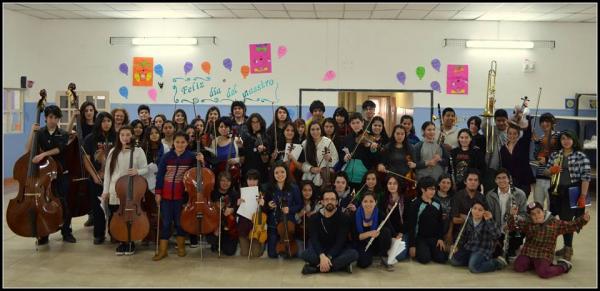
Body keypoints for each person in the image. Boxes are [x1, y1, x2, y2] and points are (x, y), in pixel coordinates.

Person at [25, 105, 76, 246]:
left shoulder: (63, 134)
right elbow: (28, 149)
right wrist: (32, 132)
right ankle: (44, 233)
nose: (53, 120)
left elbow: (59, 149)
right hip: (44, 173)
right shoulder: (39, 133)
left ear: (59, 119)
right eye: (50, 117)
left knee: (64, 202)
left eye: (56, 117)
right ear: (46, 118)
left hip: (60, 172)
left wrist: (43, 154)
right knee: (43, 202)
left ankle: (66, 232)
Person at [153, 131, 204, 260]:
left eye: (183, 142)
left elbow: (200, 173)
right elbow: (159, 175)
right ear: (173, 143)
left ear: (187, 143)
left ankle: (181, 247)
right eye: (177, 142)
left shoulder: (191, 156)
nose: (180, 144)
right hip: (165, 194)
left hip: (181, 195)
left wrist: (202, 161)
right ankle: (163, 250)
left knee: (180, 222)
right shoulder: (166, 156)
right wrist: (158, 193)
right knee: (165, 223)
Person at [509, 202, 590, 279]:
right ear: (530, 217)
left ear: (543, 212)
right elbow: (513, 226)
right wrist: (512, 216)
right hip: (529, 252)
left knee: (544, 272)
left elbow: (570, 226)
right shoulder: (528, 223)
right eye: (533, 214)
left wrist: (583, 220)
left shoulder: (554, 223)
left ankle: (563, 266)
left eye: (538, 212)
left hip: (544, 254)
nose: (537, 215)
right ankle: (534, 264)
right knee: (518, 267)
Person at [544, 130, 591, 261]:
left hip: (573, 191)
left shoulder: (581, 156)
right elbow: (546, 172)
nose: (566, 141)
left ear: (574, 140)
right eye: (563, 138)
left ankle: (568, 248)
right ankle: (562, 247)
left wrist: (583, 196)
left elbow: (586, 178)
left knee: (568, 221)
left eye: (569, 138)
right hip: (556, 191)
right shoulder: (555, 155)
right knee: (554, 219)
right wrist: (551, 170)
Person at [101, 125, 148, 255]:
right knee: (117, 217)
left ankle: (130, 241)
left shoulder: (138, 151)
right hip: (114, 189)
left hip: (132, 190)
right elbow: (107, 173)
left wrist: (137, 171)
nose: (125, 138)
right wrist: (105, 191)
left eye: (128, 135)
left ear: (132, 136)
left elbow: (145, 168)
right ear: (119, 136)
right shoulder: (113, 151)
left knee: (131, 216)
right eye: (122, 135)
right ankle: (122, 240)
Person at [300, 186, 359, 275]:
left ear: (336, 202)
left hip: (337, 250)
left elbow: (340, 241)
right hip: (320, 249)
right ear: (322, 202)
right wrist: (322, 256)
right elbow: (314, 239)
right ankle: (340, 266)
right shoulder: (314, 218)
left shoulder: (344, 218)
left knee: (354, 254)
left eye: (332, 199)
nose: (329, 202)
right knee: (303, 254)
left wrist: (329, 257)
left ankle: (316, 268)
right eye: (326, 199)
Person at [83, 112, 116, 244]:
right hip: (97, 178)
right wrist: (94, 175)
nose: (106, 123)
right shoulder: (90, 138)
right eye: (103, 121)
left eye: (109, 121)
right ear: (98, 123)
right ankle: (99, 234)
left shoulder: (117, 136)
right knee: (98, 208)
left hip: (113, 179)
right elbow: (86, 159)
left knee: (113, 207)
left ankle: (114, 232)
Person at [449, 199, 507, 273]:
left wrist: (489, 220)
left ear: (484, 212)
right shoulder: (468, 220)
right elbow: (462, 236)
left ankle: (497, 263)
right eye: (474, 208)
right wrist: (456, 246)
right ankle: (474, 261)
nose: (476, 211)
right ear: (471, 209)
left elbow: (497, 235)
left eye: (480, 210)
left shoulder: (488, 221)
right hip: (469, 248)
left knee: (474, 268)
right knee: (453, 260)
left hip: (482, 250)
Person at [485, 168, 527, 261]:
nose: (501, 180)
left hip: (513, 231)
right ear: (495, 180)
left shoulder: (520, 194)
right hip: (497, 231)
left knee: (509, 256)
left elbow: (525, 216)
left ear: (509, 179)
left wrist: (516, 216)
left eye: (504, 178)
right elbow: (489, 217)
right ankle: (503, 248)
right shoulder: (490, 195)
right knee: (494, 255)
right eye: (498, 178)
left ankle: (513, 248)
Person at [263, 162, 302, 258]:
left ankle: (290, 242)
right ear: (273, 174)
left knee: (289, 254)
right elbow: (264, 207)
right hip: (273, 222)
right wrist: (268, 205)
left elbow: (299, 205)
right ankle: (277, 243)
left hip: (287, 221)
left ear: (286, 173)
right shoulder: (269, 188)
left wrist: (290, 209)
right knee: (272, 255)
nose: (280, 175)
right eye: (276, 173)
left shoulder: (294, 187)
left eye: (282, 172)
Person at [406, 176, 447, 264]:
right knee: (424, 259)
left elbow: (440, 222)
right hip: (420, 238)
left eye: (434, 189)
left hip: (434, 238)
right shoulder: (415, 204)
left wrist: (440, 238)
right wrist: (412, 245)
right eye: (430, 189)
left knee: (442, 259)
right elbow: (411, 226)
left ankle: (430, 250)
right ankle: (425, 250)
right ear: (423, 190)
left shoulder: (437, 203)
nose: (433, 191)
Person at [352, 191, 394, 271]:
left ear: (376, 202)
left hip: (376, 243)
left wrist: (397, 236)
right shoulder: (354, 215)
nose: (368, 204)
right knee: (363, 264)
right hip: (362, 243)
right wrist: (370, 233)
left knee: (385, 231)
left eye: (371, 201)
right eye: (365, 201)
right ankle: (370, 255)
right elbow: (355, 237)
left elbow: (390, 230)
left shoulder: (380, 214)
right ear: (361, 202)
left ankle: (383, 255)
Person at [206, 171, 240, 256]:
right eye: (223, 181)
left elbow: (239, 209)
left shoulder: (234, 194)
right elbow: (207, 210)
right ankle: (216, 241)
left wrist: (232, 209)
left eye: (228, 181)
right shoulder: (213, 193)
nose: (226, 183)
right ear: (218, 181)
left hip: (229, 227)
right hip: (215, 225)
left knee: (229, 252)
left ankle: (222, 242)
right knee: (213, 240)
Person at [532, 113, 560, 209]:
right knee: (538, 204)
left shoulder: (559, 136)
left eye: (547, 121)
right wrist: (536, 143)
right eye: (542, 122)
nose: (544, 124)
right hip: (540, 176)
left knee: (551, 206)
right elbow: (536, 156)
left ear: (552, 123)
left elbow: (560, 155)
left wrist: (547, 159)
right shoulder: (540, 138)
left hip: (552, 177)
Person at [377, 125, 416, 193]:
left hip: (406, 180)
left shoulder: (411, 148)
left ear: (405, 135)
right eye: (397, 133)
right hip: (391, 181)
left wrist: (414, 164)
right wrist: (381, 165)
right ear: (393, 134)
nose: (400, 136)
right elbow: (382, 162)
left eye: (402, 134)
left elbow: (415, 163)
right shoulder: (387, 147)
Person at [500, 120, 535, 197]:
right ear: (507, 134)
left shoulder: (523, 144)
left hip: (524, 182)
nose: (512, 136)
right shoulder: (503, 149)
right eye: (510, 133)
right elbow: (504, 166)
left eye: (515, 133)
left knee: (521, 204)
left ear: (518, 134)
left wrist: (526, 117)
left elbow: (528, 133)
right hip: (510, 182)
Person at [450, 168, 485, 242]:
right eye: (470, 180)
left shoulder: (482, 198)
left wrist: (464, 217)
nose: (473, 182)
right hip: (460, 235)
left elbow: (484, 219)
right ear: (465, 182)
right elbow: (454, 219)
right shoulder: (457, 196)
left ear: (478, 183)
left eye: (476, 180)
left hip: (477, 235)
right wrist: (475, 218)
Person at [300, 121, 338, 187]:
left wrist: (330, 159)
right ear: (309, 131)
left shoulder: (328, 141)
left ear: (321, 130)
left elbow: (336, 159)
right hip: (309, 178)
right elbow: (302, 163)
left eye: (318, 129)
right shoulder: (305, 143)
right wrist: (311, 168)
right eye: (312, 129)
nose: (315, 132)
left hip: (324, 178)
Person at [382, 175, 410, 263]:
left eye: (395, 183)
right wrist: (392, 234)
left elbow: (409, 220)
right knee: (387, 253)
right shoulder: (384, 199)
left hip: (402, 232)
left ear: (399, 185)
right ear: (386, 185)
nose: (392, 186)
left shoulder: (405, 199)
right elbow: (383, 219)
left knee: (399, 257)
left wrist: (401, 233)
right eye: (389, 183)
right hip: (390, 232)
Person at [238, 169, 265, 258]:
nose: (252, 182)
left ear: (258, 180)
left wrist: (262, 204)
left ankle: (262, 245)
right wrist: (237, 204)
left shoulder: (263, 192)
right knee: (245, 254)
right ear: (246, 180)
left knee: (256, 254)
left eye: (254, 179)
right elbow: (236, 211)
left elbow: (265, 213)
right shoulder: (241, 192)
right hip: (244, 225)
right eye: (249, 179)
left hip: (256, 227)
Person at [241, 113, 270, 182]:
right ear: (250, 124)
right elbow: (242, 159)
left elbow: (265, 160)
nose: (255, 124)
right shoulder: (246, 138)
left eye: (257, 122)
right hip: (248, 175)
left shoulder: (267, 138)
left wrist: (263, 152)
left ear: (261, 123)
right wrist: (240, 147)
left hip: (262, 176)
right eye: (253, 122)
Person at [295, 180, 321, 254]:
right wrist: (301, 213)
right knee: (301, 254)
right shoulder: (297, 202)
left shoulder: (316, 202)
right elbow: (294, 219)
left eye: (310, 190)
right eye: (304, 190)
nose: (307, 193)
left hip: (312, 235)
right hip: (299, 235)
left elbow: (321, 213)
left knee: (311, 252)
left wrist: (313, 212)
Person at [436, 174, 455, 250]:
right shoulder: (433, 196)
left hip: (447, 230)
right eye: (443, 182)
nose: (445, 185)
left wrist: (449, 233)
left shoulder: (453, 198)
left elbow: (452, 217)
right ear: (438, 183)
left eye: (448, 183)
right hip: (434, 230)